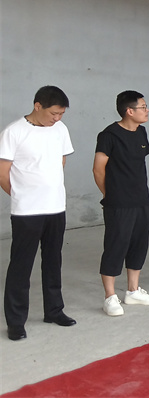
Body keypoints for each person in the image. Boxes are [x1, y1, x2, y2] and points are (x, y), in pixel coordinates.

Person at [0, 86, 76, 340]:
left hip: (56, 207)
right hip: (27, 211)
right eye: (53, 113)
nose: (57, 118)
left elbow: (60, 161)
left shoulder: (60, 129)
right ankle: (16, 322)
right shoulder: (14, 132)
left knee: (53, 261)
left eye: (61, 114)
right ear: (37, 106)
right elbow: (3, 173)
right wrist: (22, 194)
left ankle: (54, 311)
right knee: (21, 266)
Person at [93, 91, 149, 316]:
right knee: (116, 245)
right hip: (118, 203)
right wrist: (110, 194)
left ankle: (133, 291)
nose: (147, 110)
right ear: (129, 111)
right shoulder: (109, 135)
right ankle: (110, 296)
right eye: (143, 107)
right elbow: (98, 169)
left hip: (141, 199)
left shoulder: (141, 132)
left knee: (139, 243)